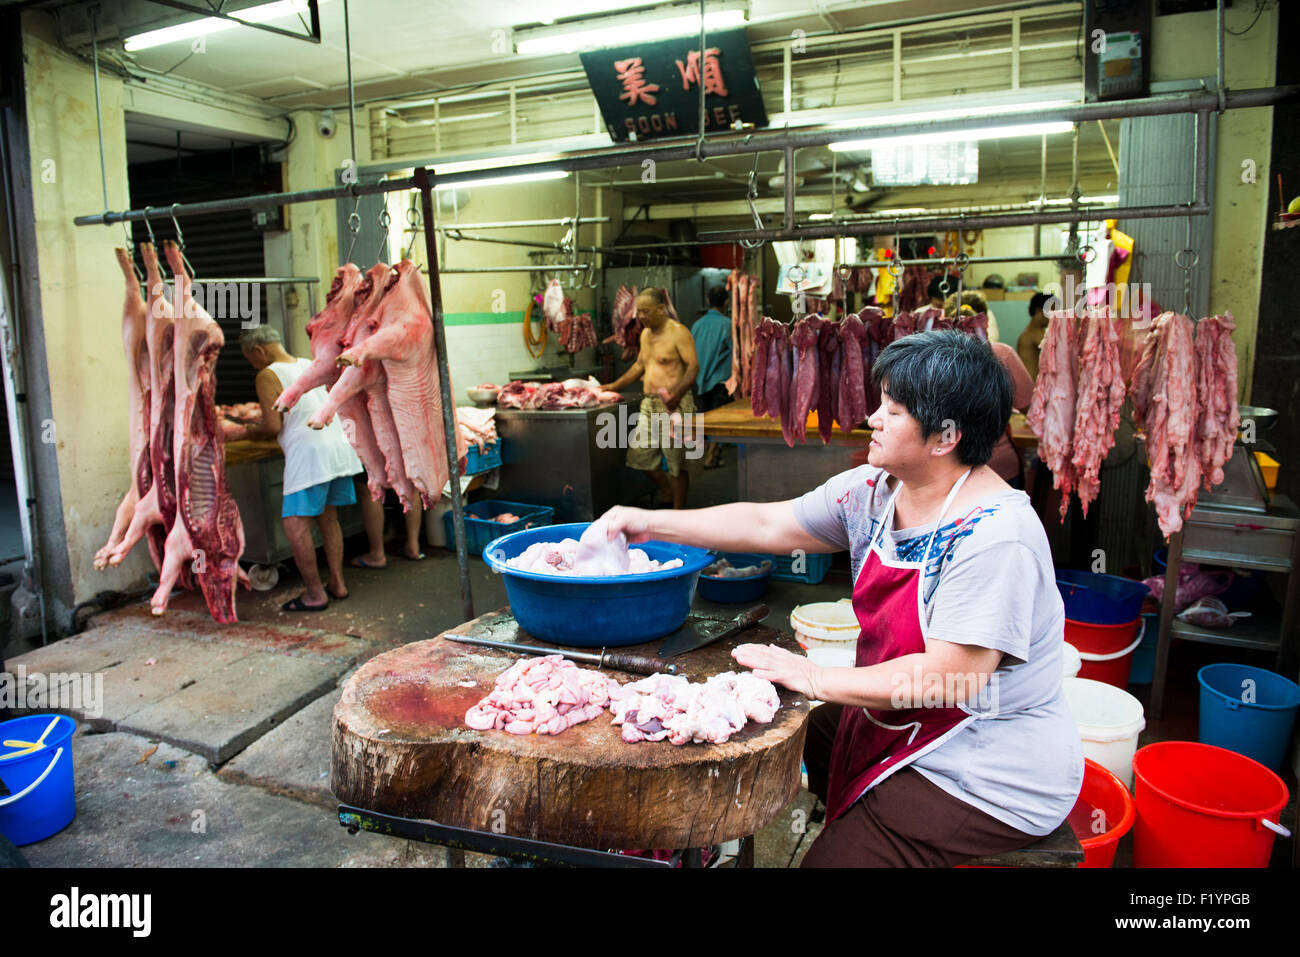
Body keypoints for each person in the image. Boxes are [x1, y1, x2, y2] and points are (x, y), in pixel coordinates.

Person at [600, 331, 1082, 867]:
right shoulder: (877, 489)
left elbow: (951, 678)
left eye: (891, 411)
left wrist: (813, 677)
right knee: (774, 725)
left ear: (945, 438)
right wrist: (646, 521)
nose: (871, 418)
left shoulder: (995, 534)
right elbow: (769, 522)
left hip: (982, 763)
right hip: (904, 716)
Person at [237, 326, 365, 611]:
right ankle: (338, 584)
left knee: (295, 526)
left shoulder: (268, 374)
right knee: (328, 519)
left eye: (249, 358)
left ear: (257, 351)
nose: (251, 364)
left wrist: (244, 432)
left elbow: (272, 426)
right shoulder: (311, 365)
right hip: (337, 447)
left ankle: (315, 594)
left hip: (309, 455)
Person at [601, 287, 700, 508]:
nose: (641, 316)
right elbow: (639, 366)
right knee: (639, 457)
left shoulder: (678, 332)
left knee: (676, 464)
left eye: (646, 311)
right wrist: (612, 386)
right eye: (639, 311)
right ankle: (666, 492)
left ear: (661, 308)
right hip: (649, 404)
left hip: (675, 405)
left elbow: (693, 367)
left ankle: (678, 512)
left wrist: (677, 395)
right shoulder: (645, 335)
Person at [691, 285, 734, 468]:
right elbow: (735, 353)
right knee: (720, 418)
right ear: (726, 302)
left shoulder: (696, 325)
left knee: (705, 416)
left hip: (700, 380)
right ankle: (710, 457)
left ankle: (711, 454)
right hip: (720, 380)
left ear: (708, 301)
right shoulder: (727, 325)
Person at [1017, 292, 1052, 380]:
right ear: (1038, 311)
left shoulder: (1030, 332)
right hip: (1031, 386)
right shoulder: (1034, 334)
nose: (1052, 316)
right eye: (1051, 311)